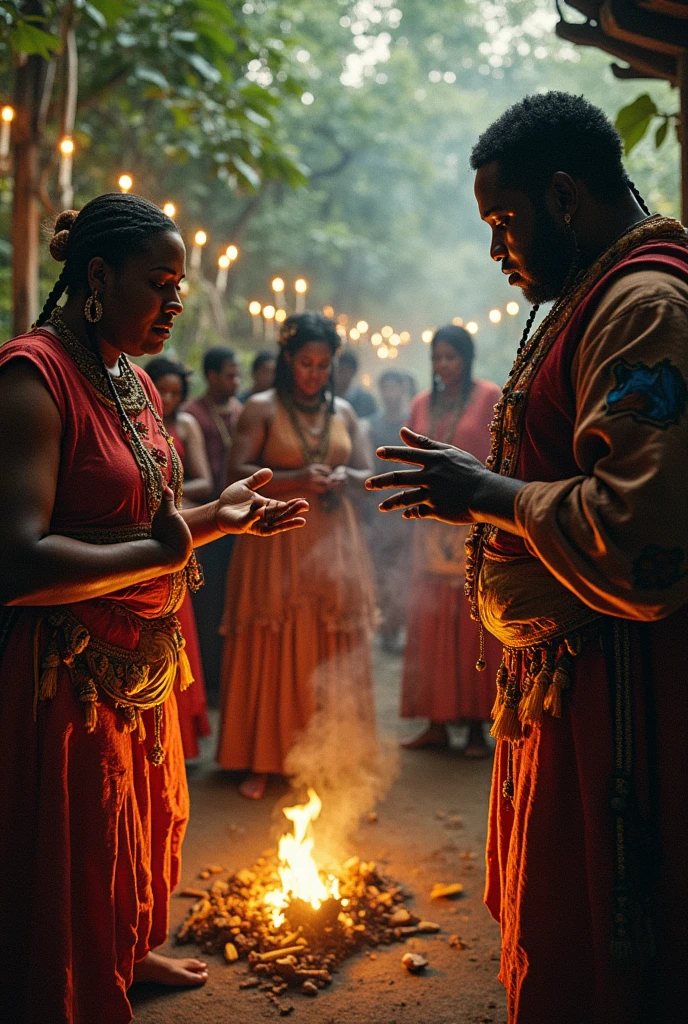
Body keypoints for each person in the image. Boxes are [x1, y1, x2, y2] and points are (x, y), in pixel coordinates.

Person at [367, 92, 688, 1024]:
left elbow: (647, 541)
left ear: (563, 196)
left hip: (626, 698)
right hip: (570, 683)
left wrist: (486, 496)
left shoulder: (644, 301)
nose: (498, 248)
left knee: (607, 944)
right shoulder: (591, 289)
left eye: (505, 222)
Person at [0, 194, 308, 1024]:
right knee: (82, 832)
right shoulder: (33, 375)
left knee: (141, 815)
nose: (175, 301)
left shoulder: (126, 374)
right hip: (64, 668)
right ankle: (69, 977)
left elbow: (152, 524)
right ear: (97, 276)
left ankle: (126, 950)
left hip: (141, 650)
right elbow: (17, 564)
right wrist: (160, 553)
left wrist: (220, 517)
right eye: (159, 282)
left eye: (180, 284)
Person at [216, 312, 376, 800]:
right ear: (288, 360)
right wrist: (295, 480)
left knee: (330, 643)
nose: (314, 373)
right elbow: (235, 470)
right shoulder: (260, 408)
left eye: (323, 365)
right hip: (274, 541)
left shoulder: (345, 413)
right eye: (306, 363)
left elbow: (367, 475)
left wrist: (340, 479)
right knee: (272, 639)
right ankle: (260, 758)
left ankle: (332, 758)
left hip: (334, 541)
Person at [400, 326, 502, 754]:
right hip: (428, 527)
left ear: (468, 358)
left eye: (452, 357)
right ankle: (437, 723)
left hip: (474, 522)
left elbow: (500, 453)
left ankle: (478, 727)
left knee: (472, 622)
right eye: (438, 358)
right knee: (431, 623)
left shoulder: (488, 396)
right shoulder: (422, 402)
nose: (444, 366)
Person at [145, 355, 213, 760]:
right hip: (141, 538)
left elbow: (205, 478)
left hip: (177, 533)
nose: (168, 399)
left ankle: (178, 742)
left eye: (175, 391)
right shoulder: (131, 415)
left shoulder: (185, 425)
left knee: (177, 640)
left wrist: (172, 497)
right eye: (162, 390)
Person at [184, 346, 243, 702]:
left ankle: (232, 678)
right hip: (207, 520)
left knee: (236, 598)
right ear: (211, 375)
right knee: (209, 599)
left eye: (238, 374)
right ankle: (209, 682)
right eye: (229, 374)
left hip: (240, 522)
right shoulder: (194, 415)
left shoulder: (241, 411)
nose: (236, 381)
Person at [364, 369, 412, 653]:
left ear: (403, 388)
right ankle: (385, 628)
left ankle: (397, 625)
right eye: (386, 388)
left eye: (395, 387)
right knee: (382, 570)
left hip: (407, 505)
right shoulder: (371, 425)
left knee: (403, 570)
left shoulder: (413, 421)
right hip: (380, 507)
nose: (390, 393)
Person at [334, 348, 378, 418]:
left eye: (346, 371)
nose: (341, 376)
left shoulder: (366, 401)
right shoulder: (326, 398)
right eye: (339, 371)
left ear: (353, 372)